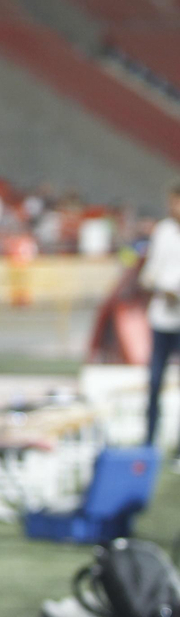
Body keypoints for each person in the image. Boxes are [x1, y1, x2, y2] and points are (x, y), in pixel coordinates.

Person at [141, 182, 180, 455]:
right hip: (162, 321)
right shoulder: (163, 231)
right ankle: (149, 440)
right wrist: (162, 289)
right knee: (155, 381)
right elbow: (148, 275)